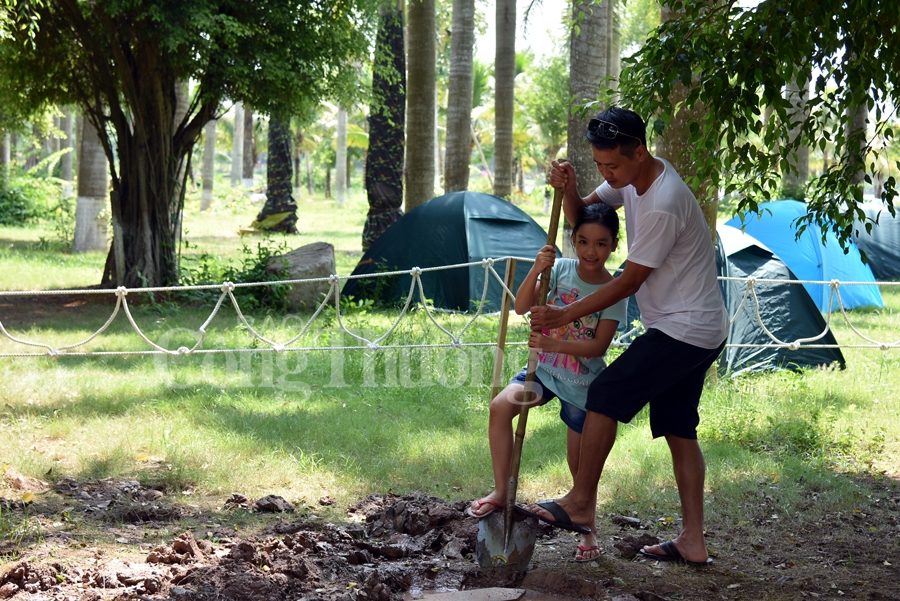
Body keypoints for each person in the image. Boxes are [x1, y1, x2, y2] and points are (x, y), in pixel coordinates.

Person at [520, 106, 729, 567]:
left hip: (686, 328)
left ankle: (580, 501)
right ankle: (693, 541)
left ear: (640, 151)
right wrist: (570, 188)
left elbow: (628, 281)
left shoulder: (663, 199)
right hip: (698, 325)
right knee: (678, 428)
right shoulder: (630, 181)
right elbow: (586, 223)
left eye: (612, 165)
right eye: (600, 167)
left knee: (605, 392)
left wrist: (563, 315)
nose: (607, 175)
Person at [467, 202, 628, 563]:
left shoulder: (615, 290)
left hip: (581, 384)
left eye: (601, 244)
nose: (591, 251)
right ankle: (501, 489)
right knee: (499, 408)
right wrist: (538, 270)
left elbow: (599, 345)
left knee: (580, 463)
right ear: (573, 240)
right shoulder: (560, 270)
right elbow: (523, 306)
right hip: (542, 372)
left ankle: (587, 528)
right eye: (584, 241)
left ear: (615, 245)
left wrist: (554, 342)